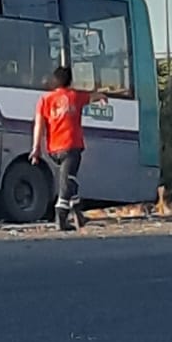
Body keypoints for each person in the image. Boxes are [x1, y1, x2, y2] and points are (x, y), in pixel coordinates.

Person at [30, 66, 109, 231]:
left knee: (70, 178)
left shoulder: (45, 100)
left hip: (53, 149)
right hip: (71, 146)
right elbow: (92, 97)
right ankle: (61, 216)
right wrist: (102, 96)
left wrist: (36, 148)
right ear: (70, 81)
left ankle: (78, 214)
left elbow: (39, 125)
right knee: (67, 181)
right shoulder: (75, 97)